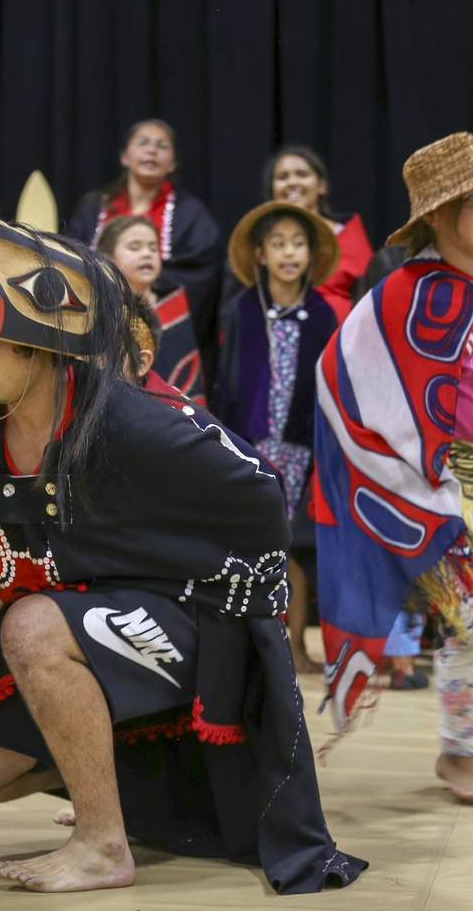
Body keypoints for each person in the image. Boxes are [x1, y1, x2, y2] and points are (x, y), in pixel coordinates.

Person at [0, 202, 365, 895]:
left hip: (180, 619)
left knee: (30, 625)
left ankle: (103, 843)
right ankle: (113, 773)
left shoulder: (124, 416)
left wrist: (239, 624)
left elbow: (262, 493)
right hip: (75, 627)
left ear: (40, 347)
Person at [314, 131, 473, 800]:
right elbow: (338, 375)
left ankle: (463, 746)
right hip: (444, 485)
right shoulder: (403, 293)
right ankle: (459, 753)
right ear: (436, 218)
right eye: (470, 200)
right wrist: (416, 462)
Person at [220, 201, 340, 675]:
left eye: (298, 244)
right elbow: (229, 380)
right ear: (260, 254)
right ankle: (248, 642)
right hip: (251, 440)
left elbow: (329, 389)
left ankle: (295, 643)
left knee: (284, 540)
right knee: (249, 538)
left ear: (310, 254)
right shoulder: (244, 309)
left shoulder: (323, 313)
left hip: (298, 447)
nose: (289, 253)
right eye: (278, 243)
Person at [67, 119, 222, 363]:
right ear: (124, 156)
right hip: (98, 325)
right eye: (142, 143)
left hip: (164, 329)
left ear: (172, 162)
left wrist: (140, 283)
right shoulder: (93, 206)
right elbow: (71, 261)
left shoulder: (192, 214)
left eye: (162, 145)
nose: (152, 150)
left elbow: (200, 277)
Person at [97, 214, 204, 402]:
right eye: (134, 247)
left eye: (153, 248)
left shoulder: (175, 307)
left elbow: (188, 374)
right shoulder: (99, 308)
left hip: (172, 416)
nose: (147, 253)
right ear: (108, 258)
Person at [264, 146, 374, 323]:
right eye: (283, 177)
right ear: (272, 189)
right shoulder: (257, 240)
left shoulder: (348, 235)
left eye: (302, 174)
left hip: (340, 341)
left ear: (321, 185)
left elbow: (370, 299)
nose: (292, 182)